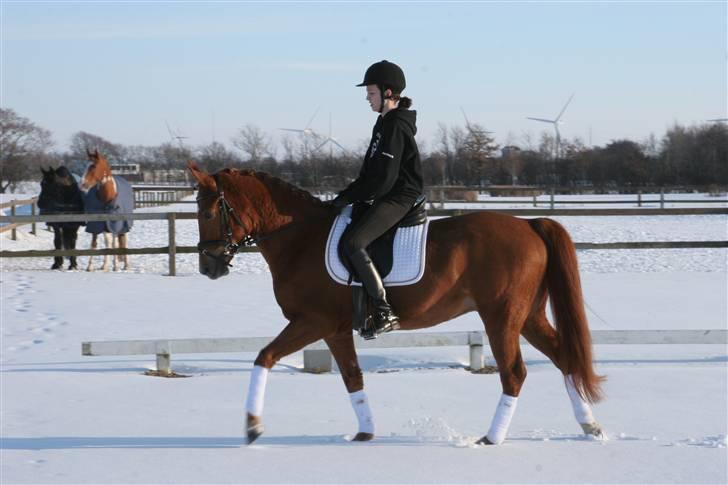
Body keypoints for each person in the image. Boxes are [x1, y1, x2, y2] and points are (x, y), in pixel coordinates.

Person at [331, 60, 424, 337]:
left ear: (388, 93)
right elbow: (369, 172)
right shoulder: (383, 123)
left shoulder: (394, 126)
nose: (367, 98)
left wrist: (355, 196)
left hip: (400, 196)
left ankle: (384, 311)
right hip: (387, 193)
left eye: (371, 93)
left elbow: (384, 179)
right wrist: (345, 197)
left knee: (354, 241)